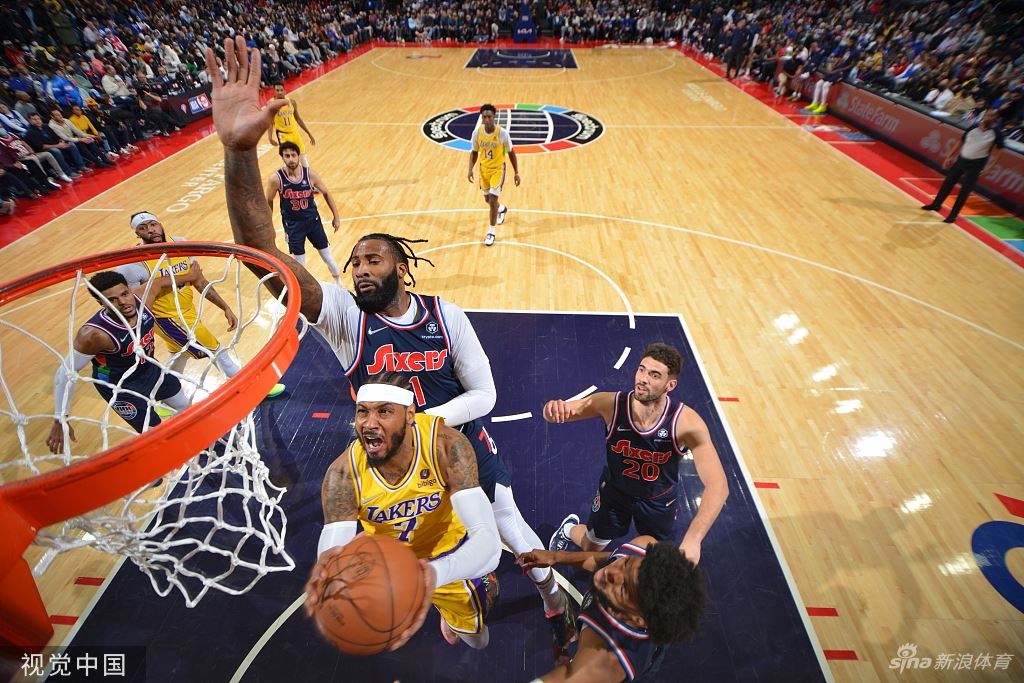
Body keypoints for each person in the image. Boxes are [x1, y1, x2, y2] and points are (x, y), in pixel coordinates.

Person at [206, 35, 577, 662]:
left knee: (514, 532)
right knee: (401, 555)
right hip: (388, 461)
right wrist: (239, 153)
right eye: (354, 261)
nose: (359, 268)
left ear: (402, 268)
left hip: (456, 447)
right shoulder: (345, 318)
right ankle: (449, 593)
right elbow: (265, 258)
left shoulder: (445, 316)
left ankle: (551, 601)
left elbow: (486, 394)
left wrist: (428, 424)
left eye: (372, 259)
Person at [304, 372, 501, 650]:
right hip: (385, 568)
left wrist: (431, 574)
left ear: (409, 415)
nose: (369, 424)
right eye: (362, 412)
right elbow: (333, 550)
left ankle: (467, 593)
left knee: (479, 641)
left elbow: (490, 544)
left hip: (449, 555)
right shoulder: (343, 475)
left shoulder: (445, 446)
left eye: (384, 411)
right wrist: (328, 572)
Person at [545, 343, 729, 566]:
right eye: (641, 370)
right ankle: (568, 529)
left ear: (670, 385)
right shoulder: (611, 405)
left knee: (654, 556)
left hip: (658, 500)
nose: (643, 379)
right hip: (615, 492)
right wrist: (552, 410)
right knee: (590, 548)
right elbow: (560, 411)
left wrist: (694, 538)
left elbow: (718, 485)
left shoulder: (686, 423)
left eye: (654, 375)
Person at [115, 211, 285, 397]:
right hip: (164, 319)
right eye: (143, 228)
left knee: (178, 357)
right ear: (137, 234)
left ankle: (163, 398)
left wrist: (224, 307)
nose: (150, 230)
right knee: (218, 351)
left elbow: (199, 281)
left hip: (187, 312)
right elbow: (135, 302)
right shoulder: (132, 266)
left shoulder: (180, 244)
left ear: (160, 224)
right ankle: (257, 387)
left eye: (153, 224)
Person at [517, 537, 707, 682]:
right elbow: (612, 558)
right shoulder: (644, 549)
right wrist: (556, 556)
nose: (610, 572)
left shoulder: (606, 659)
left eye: (624, 588)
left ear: (639, 619)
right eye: (626, 564)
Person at [46, 271, 191, 454]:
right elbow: (66, 373)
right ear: (101, 303)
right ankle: (167, 461)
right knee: (155, 432)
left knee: (184, 406)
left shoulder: (143, 300)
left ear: (130, 290)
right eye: (112, 300)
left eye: (124, 294)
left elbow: (159, 282)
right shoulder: (94, 335)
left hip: (149, 368)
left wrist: (191, 275)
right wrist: (60, 418)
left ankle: (196, 446)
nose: (122, 302)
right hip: (120, 386)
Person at [264, 141, 342, 283]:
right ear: (282, 157)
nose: (291, 159)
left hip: (313, 222)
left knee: (328, 257)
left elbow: (326, 193)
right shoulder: (276, 179)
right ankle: (303, 288)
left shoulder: (310, 174)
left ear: (298, 156)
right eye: (287, 156)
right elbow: (268, 200)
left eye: (293, 155)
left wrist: (336, 217)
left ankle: (339, 282)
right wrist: (269, 224)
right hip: (293, 226)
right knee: (299, 264)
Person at [921, 108, 1004, 223]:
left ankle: (953, 215)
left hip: (976, 164)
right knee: (948, 183)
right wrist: (949, 156)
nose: (989, 117)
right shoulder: (974, 127)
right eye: (987, 115)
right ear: (984, 115)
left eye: (992, 116)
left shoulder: (997, 133)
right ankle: (936, 204)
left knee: (965, 190)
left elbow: (1000, 151)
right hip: (962, 160)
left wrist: (989, 168)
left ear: (996, 118)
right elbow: (961, 141)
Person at [467, 103, 520, 247]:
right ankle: (501, 209)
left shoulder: (502, 133)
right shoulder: (477, 133)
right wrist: (470, 169)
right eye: (484, 117)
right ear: (481, 117)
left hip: (498, 170)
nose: (487, 119)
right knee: (488, 200)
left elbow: (511, 153)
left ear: (494, 116)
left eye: (489, 116)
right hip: (483, 170)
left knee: (492, 200)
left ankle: (491, 232)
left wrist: (516, 172)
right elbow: (474, 152)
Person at [267, 82, 315, 167]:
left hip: (294, 133)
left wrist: (309, 134)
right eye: (277, 90)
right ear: (274, 91)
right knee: (288, 160)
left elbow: (298, 119)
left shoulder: (292, 102)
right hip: (283, 135)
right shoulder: (271, 104)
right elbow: (270, 122)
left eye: (281, 90)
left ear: (285, 91)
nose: (279, 92)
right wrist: (270, 138)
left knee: (303, 158)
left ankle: (306, 174)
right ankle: (286, 174)